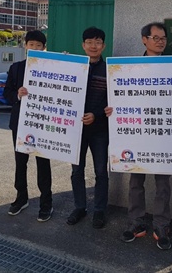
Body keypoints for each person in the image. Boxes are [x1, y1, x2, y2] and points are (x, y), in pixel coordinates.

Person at [108, 22, 172, 250]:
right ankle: (136, 222)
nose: (160, 41)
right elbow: (119, 97)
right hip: (136, 135)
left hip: (163, 136)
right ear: (144, 40)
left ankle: (161, 224)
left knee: (162, 184)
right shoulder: (129, 69)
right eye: (156, 37)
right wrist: (111, 110)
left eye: (163, 38)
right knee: (135, 182)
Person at [4, 30, 53, 222]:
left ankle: (46, 202)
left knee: (43, 163)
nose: (34, 48)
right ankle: (21, 197)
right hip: (20, 123)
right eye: (31, 44)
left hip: (43, 123)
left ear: (44, 48)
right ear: (25, 46)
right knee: (20, 162)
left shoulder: (52, 68)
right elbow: (7, 94)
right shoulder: (16, 68)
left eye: (38, 45)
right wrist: (17, 94)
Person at [67, 26, 109, 229]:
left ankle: (99, 210)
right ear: (83, 45)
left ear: (104, 46)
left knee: (101, 171)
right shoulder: (73, 68)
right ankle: (80, 207)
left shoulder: (110, 70)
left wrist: (97, 115)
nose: (94, 46)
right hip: (76, 130)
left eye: (98, 42)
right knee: (77, 171)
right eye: (90, 42)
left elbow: (114, 100)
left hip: (100, 129)